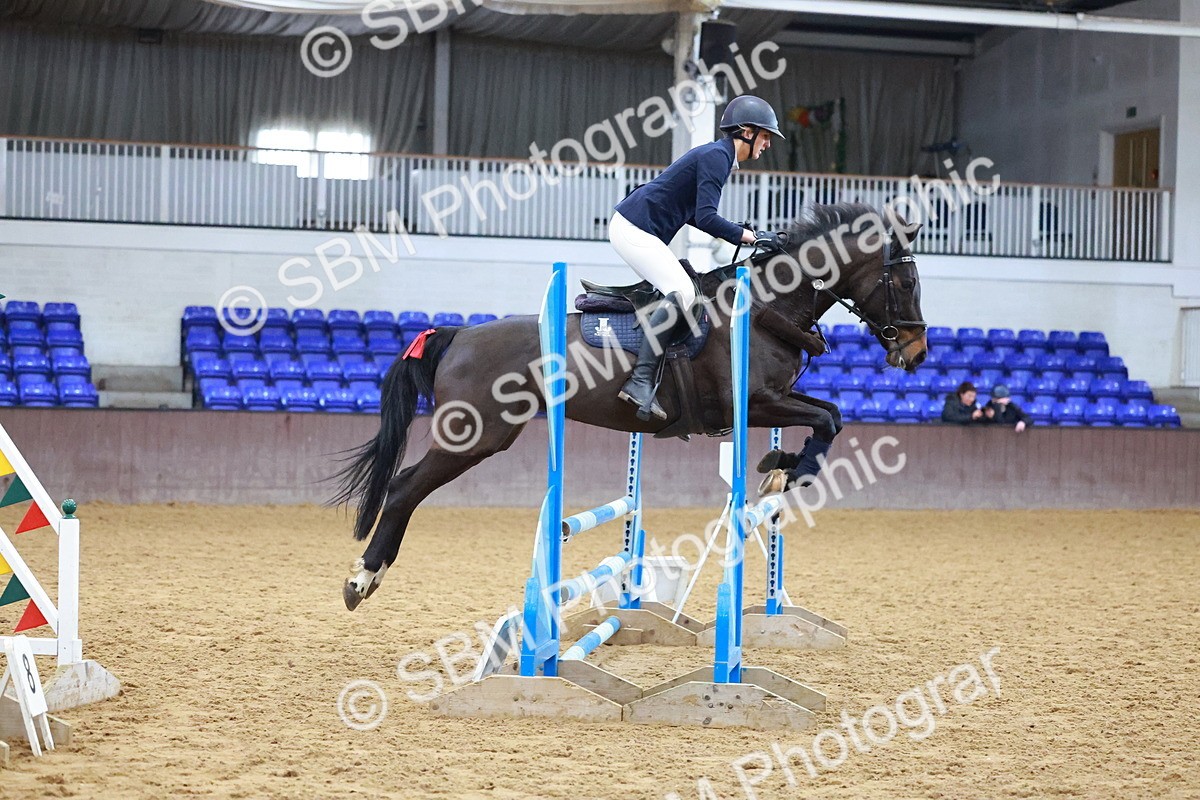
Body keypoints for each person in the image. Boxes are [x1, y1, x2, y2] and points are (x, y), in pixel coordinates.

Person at [609, 95, 787, 421]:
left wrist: (746, 234)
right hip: (633, 228)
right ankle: (639, 382)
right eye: (765, 136)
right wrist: (752, 237)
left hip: (637, 228)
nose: (767, 145)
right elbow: (706, 217)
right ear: (746, 131)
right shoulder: (718, 156)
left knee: (685, 290)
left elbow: (692, 214)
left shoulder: (717, 156)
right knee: (684, 294)